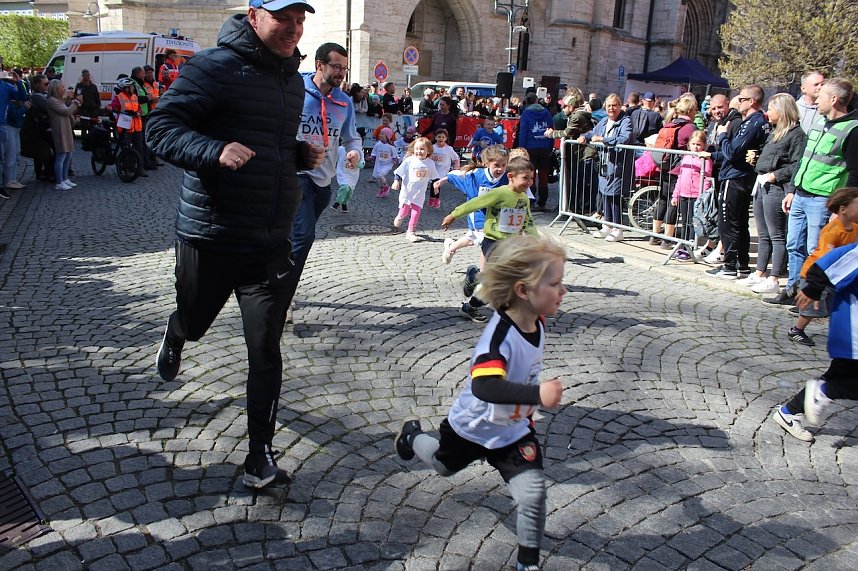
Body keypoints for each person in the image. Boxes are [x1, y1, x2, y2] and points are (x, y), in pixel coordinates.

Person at [145, 0, 324, 489]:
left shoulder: (291, 77)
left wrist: (297, 155)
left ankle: (258, 457)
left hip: (268, 240)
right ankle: (177, 331)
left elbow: (266, 144)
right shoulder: (214, 66)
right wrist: (213, 150)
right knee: (198, 321)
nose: (294, 28)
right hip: (213, 234)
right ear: (253, 16)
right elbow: (158, 130)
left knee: (265, 348)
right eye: (283, 18)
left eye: (300, 19)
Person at [395, 234, 566, 571]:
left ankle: (527, 564)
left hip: (513, 432)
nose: (563, 291)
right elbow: (486, 387)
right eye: (555, 283)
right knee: (444, 468)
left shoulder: (537, 319)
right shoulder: (498, 337)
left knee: (532, 495)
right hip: (470, 429)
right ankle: (412, 436)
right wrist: (537, 395)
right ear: (523, 291)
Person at [285, 42, 362, 320]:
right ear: (320, 65)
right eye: (336, 66)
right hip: (295, 176)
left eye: (344, 67)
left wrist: (353, 151)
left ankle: (276, 277)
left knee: (294, 238)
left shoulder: (344, 101)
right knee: (303, 237)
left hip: (323, 182)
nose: (341, 72)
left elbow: (351, 135)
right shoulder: (296, 89)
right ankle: (282, 296)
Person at [766, 78, 858, 305]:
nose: (816, 100)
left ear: (834, 99)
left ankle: (812, 298)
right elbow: (804, 160)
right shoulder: (819, 122)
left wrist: (841, 209)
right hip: (801, 194)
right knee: (794, 245)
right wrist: (793, 190)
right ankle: (792, 291)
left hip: (824, 199)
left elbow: (855, 174)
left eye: (821, 96)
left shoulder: (852, 130)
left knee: (815, 249)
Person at [772, 237, 858, 442]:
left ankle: (789, 412)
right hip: (853, 330)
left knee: (839, 375)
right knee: (841, 381)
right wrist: (813, 289)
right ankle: (821, 392)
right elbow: (824, 267)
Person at [442, 157, 539, 323]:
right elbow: (475, 203)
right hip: (493, 242)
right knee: (498, 281)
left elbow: (528, 221)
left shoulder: (523, 199)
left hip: (511, 245)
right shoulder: (499, 193)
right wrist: (453, 215)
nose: (529, 182)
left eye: (531, 178)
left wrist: (536, 240)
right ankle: (473, 305)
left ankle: (475, 280)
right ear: (511, 177)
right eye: (525, 178)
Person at [738, 94, 806, 294]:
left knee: (777, 235)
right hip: (762, 185)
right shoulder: (776, 132)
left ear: (783, 110)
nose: (767, 113)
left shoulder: (796, 135)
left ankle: (774, 277)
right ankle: (759, 273)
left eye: (771, 109)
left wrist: (775, 175)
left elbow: (795, 164)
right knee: (763, 234)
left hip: (776, 188)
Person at [707, 84, 770, 279]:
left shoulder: (754, 122)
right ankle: (741, 266)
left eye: (741, 99)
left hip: (736, 178)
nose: (738, 102)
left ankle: (730, 265)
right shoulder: (750, 121)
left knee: (729, 223)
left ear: (752, 101)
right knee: (739, 222)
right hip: (738, 175)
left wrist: (723, 135)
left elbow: (733, 152)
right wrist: (712, 155)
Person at [785, 187, 858, 346]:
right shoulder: (833, 230)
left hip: (835, 274)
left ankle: (842, 333)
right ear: (843, 209)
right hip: (816, 273)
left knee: (836, 305)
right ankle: (796, 330)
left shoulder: (855, 228)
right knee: (812, 308)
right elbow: (826, 257)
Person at [436, 145, 509, 290]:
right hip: (479, 218)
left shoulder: (507, 178)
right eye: (496, 165)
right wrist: (441, 181)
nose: (500, 169)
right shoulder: (475, 176)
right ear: (487, 163)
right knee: (485, 244)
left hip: (496, 220)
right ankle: (482, 278)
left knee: (471, 239)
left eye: (503, 165)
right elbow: (456, 175)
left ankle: (451, 247)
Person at [578, 94, 633, 242]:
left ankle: (618, 228)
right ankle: (607, 225)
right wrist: (585, 136)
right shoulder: (604, 121)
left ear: (620, 105)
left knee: (614, 196)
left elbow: (624, 138)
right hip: (604, 163)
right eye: (609, 106)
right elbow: (593, 132)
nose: (611, 108)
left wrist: (604, 139)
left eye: (614, 105)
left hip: (617, 164)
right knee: (605, 194)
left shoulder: (625, 121)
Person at [649, 96, 699, 247]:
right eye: (695, 109)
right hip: (678, 170)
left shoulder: (670, 124)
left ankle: (655, 235)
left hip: (664, 166)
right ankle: (667, 239)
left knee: (662, 200)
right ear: (690, 110)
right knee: (673, 203)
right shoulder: (690, 128)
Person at [670, 130, 712, 259]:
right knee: (685, 222)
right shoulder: (686, 157)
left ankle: (691, 246)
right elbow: (680, 177)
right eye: (693, 144)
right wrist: (675, 195)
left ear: (704, 145)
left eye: (699, 144)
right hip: (684, 193)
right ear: (689, 145)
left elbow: (706, 178)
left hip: (696, 195)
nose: (696, 147)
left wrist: (703, 195)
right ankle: (683, 245)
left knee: (693, 222)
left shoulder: (706, 160)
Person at [391, 137, 439, 242]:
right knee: (404, 212)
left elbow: (435, 177)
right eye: (417, 149)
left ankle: (411, 232)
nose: (419, 151)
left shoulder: (430, 163)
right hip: (407, 192)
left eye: (422, 149)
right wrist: (396, 181)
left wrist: (436, 187)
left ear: (428, 151)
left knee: (416, 212)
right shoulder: (409, 160)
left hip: (420, 193)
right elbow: (399, 172)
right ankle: (399, 217)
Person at [515, 92, 555, 211]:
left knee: (530, 176)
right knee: (543, 176)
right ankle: (542, 202)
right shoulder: (546, 113)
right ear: (537, 101)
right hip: (544, 147)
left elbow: (523, 133)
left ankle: (531, 201)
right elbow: (551, 130)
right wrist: (550, 147)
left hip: (530, 148)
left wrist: (522, 149)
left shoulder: (526, 114)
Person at [46, 79, 81, 191]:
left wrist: (71, 102)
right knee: (61, 156)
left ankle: (65, 178)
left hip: (65, 129)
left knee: (68, 155)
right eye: (62, 87)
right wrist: (76, 103)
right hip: (60, 130)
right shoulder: (52, 100)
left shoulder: (58, 100)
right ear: (56, 89)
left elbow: (66, 110)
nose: (64, 89)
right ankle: (59, 181)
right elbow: (66, 112)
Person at [1, 70, 29, 196]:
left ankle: (10, 179)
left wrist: (19, 81)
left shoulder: (6, 86)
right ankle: (8, 180)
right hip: (6, 126)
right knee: (8, 155)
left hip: (3, 125)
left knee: (10, 154)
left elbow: (23, 96)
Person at [427, 128, 459, 210]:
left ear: (446, 138)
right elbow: (428, 156)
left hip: (443, 170)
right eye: (439, 137)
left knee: (437, 184)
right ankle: (432, 197)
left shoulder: (449, 149)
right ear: (435, 138)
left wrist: (456, 167)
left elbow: (456, 158)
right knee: (433, 184)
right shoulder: (432, 147)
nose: (441, 139)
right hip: (434, 169)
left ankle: (436, 199)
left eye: (443, 137)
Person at [330, 143, 363, 213]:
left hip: (353, 175)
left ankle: (344, 204)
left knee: (349, 192)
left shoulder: (359, 151)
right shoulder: (341, 149)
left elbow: (362, 165)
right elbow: (334, 157)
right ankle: (337, 203)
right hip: (342, 173)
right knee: (344, 187)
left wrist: (355, 163)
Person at [371, 127, 397, 197]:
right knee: (379, 180)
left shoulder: (391, 147)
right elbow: (374, 152)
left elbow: (394, 155)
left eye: (382, 134)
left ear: (387, 136)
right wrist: (371, 157)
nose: (380, 135)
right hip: (379, 164)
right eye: (380, 133)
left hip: (387, 164)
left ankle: (386, 187)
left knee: (380, 175)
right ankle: (382, 190)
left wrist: (394, 160)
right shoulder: (378, 144)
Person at [74, 69, 100, 139]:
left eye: (88, 75)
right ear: (83, 76)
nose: (88, 77)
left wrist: (97, 108)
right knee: (84, 127)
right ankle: (84, 140)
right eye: (86, 75)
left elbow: (97, 97)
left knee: (93, 127)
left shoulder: (93, 86)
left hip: (93, 110)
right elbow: (77, 97)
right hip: (84, 109)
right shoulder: (79, 86)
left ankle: (91, 140)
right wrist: (80, 107)